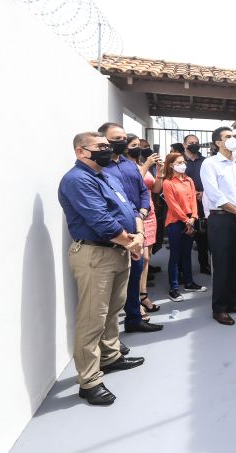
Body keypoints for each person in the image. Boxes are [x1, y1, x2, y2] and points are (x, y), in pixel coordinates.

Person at [58, 132, 146, 405]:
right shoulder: (77, 180)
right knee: (92, 318)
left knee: (113, 309)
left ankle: (109, 357)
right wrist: (131, 243)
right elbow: (101, 221)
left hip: (119, 250)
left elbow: (130, 208)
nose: (108, 150)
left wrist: (138, 234)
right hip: (96, 255)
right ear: (81, 152)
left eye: (108, 146)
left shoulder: (106, 175)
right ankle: (89, 381)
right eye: (101, 146)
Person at [98, 122, 162, 333]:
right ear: (103, 141)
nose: (122, 142)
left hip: (137, 226)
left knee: (134, 276)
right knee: (114, 288)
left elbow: (143, 191)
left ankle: (134, 319)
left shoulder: (128, 165)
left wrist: (142, 213)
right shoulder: (101, 169)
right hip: (116, 234)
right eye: (116, 139)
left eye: (123, 138)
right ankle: (111, 335)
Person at [200, 127, 236, 325]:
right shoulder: (210, 164)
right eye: (228, 137)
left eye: (233, 136)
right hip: (222, 218)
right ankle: (219, 308)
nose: (233, 139)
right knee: (222, 264)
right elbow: (214, 194)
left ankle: (233, 301)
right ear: (218, 143)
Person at [126, 134, 162, 319]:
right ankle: (133, 302)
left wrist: (159, 171)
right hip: (135, 215)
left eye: (140, 145)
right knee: (136, 259)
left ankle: (143, 294)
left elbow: (155, 189)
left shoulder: (142, 165)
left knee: (146, 258)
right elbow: (132, 185)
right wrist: (147, 165)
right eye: (135, 145)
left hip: (150, 213)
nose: (139, 148)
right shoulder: (123, 166)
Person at [162, 152, 207, 302]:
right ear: (171, 165)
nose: (183, 165)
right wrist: (186, 220)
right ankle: (173, 288)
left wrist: (193, 217)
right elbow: (172, 205)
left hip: (190, 220)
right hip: (175, 222)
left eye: (183, 162)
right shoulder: (168, 182)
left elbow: (194, 200)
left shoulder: (189, 180)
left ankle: (189, 283)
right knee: (175, 255)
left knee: (187, 253)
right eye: (179, 162)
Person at [183, 134, 211, 275]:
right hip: (185, 206)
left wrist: (203, 193)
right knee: (186, 237)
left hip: (203, 203)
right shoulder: (180, 162)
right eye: (190, 142)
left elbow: (212, 181)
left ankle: (204, 265)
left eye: (196, 142)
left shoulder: (205, 161)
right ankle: (183, 271)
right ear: (184, 145)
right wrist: (192, 194)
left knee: (204, 237)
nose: (194, 144)